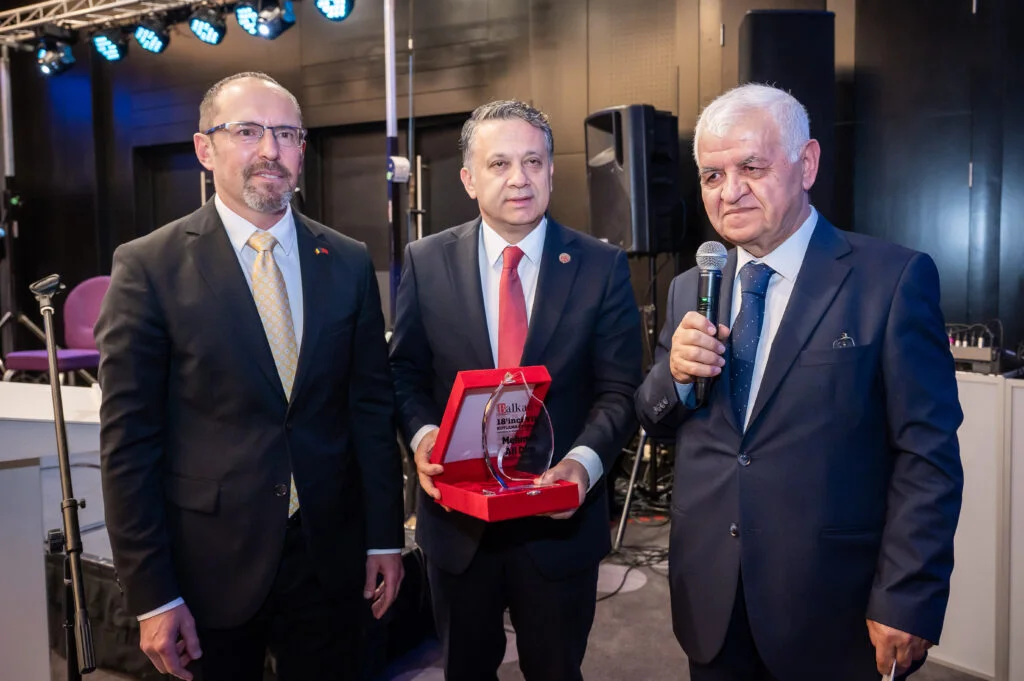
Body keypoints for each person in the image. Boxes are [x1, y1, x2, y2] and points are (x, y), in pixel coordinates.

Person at [635, 83, 964, 681]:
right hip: (712, 598)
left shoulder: (890, 280)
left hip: (833, 607)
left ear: (806, 163)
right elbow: (654, 418)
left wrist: (907, 594)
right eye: (712, 176)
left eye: (751, 167)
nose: (730, 191)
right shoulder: (692, 288)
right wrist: (674, 376)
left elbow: (927, 455)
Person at [95, 72, 405, 681]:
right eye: (247, 131)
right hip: (208, 565)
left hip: (329, 557)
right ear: (204, 149)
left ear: (301, 150)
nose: (270, 149)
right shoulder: (148, 266)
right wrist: (153, 594)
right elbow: (129, 445)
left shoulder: (346, 260)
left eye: (286, 134)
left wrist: (384, 539)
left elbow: (370, 410)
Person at [388, 100, 642, 681]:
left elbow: (620, 388)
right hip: (458, 524)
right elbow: (404, 374)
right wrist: (425, 438)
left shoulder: (601, 266)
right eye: (499, 163)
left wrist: (583, 465)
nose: (519, 178)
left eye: (533, 161)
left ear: (552, 170)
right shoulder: (425, 262)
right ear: (469, 179)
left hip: (559, 526)